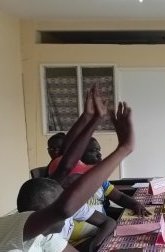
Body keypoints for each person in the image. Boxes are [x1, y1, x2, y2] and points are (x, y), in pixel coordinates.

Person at [0, 100, 135, 251]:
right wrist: (124, 148)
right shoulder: (13, 239)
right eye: (77, 177)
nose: (81, 183)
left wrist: (91, 118)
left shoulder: (48, 235)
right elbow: (64, 206)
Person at [17, 178, 116, 252]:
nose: (67, 210)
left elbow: (108, 221)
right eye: (60, 207)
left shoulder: (48, 234)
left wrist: (93, 247)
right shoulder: (26, 246)